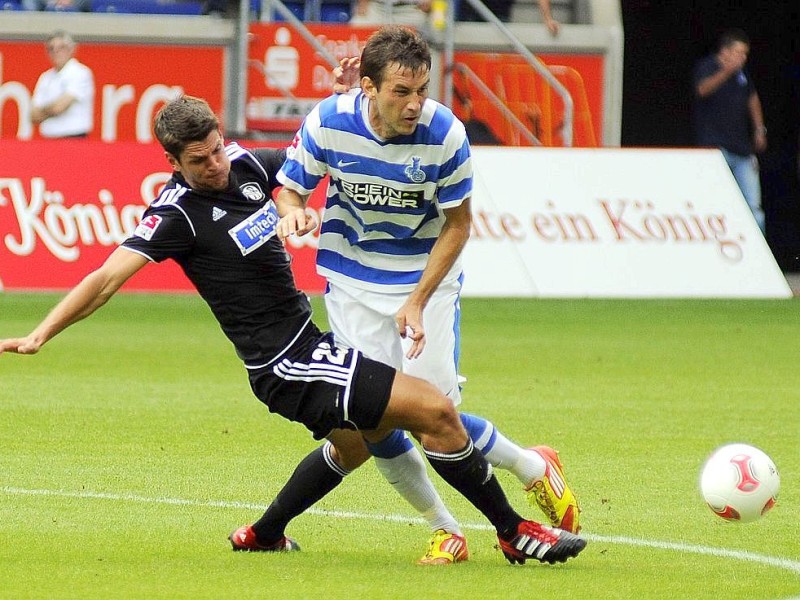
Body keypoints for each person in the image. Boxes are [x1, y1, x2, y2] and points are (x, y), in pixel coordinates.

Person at [0, 94, 586, 566]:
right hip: (284, 366)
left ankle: (264, 533)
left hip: (311, 345)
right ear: (172, 163)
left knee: (356, 442)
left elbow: (316, 160)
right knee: (433, 410)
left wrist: (347, 104)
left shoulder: (250, 164)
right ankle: (513, 531)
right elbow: (104, 279)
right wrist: (42, 333)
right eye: (198, 161)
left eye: (215, 150)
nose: (215, 165)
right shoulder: (175, 213)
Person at [273, 25, 580, 565]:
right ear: (367, 87)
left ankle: (533, 466)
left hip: (424, 285)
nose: (415, 104)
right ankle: (445, 529)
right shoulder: (328, 121)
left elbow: (458, 227)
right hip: (349, 285)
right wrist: (292, 208)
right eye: (401, 92)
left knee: (439, 416)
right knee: (372, 418)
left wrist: (416, 299)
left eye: (422, 90)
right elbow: (291, 184)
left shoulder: (446, 135)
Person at [693, 28, 767, 234]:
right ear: (725, 51)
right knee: (715, 202)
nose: (742, 58)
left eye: (745, 54)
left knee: (754, 208)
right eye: (739, 52)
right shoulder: (708, 66)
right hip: (716, 148)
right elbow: (702, 89)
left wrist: (759, 129)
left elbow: (752, 98)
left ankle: (757, 254)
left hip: (742, 149)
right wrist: (726, 71)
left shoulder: (742, 75)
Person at [30, 31, 95, 139]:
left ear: (71, 49)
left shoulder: (80, 72)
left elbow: (59, 107)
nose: (56, 52)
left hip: (74, 138)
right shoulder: (46, 77)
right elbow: (33, 115)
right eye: (51, 48)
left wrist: (44, 111)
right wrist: (52, 109)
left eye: (61, 47)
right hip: (48, 139)